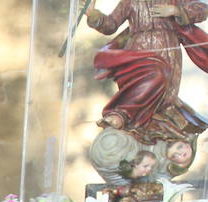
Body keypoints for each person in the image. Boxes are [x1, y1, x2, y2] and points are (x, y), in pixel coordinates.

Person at [86, 1, 208, 144]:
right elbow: (111, 24)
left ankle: (150, 124)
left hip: (167, 47)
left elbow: (202, 9)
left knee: (165, 92)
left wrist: (176, 10)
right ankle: (122, 114)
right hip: (138, 49)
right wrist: (95, 16)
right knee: (151, 77)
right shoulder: (129, 2)